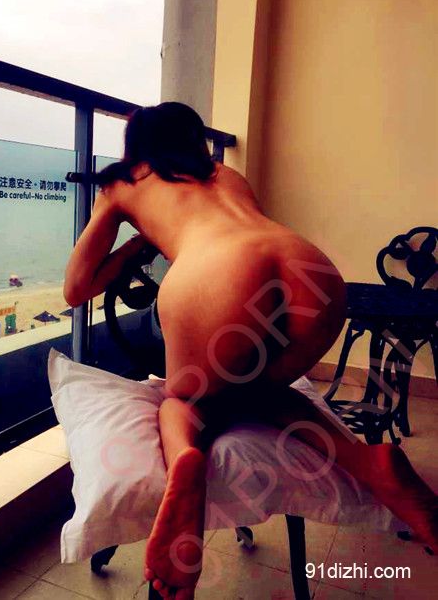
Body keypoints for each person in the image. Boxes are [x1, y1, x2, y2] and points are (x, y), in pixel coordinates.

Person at [64, 102, 437, 600]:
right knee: (256, 388)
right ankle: (367, 462)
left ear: (136, 141)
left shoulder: (122, 184)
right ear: (194, 138)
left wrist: (136, 240)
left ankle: (187, 463)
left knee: (184, 399)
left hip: (217, 276)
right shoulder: (223, 174)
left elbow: (76, 289)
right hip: (311, 272)